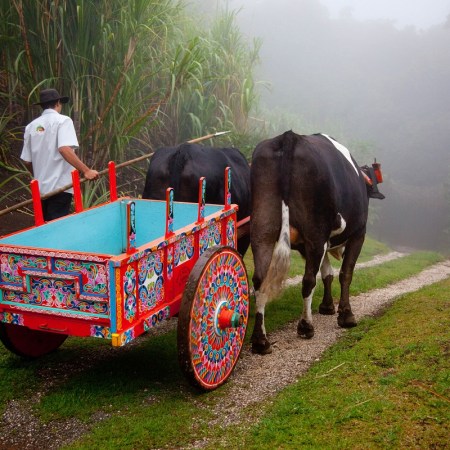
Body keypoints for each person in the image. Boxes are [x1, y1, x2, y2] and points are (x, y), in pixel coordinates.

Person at [21, 88, 99, 221]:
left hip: (40, 190)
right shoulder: (63, 121)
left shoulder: (31, 126)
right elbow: (64, 149)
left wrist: (40, 175)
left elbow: (27, 161)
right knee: (56, 227)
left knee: (43, 227)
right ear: (58, 103)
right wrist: (86, 171)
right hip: (60, 187)